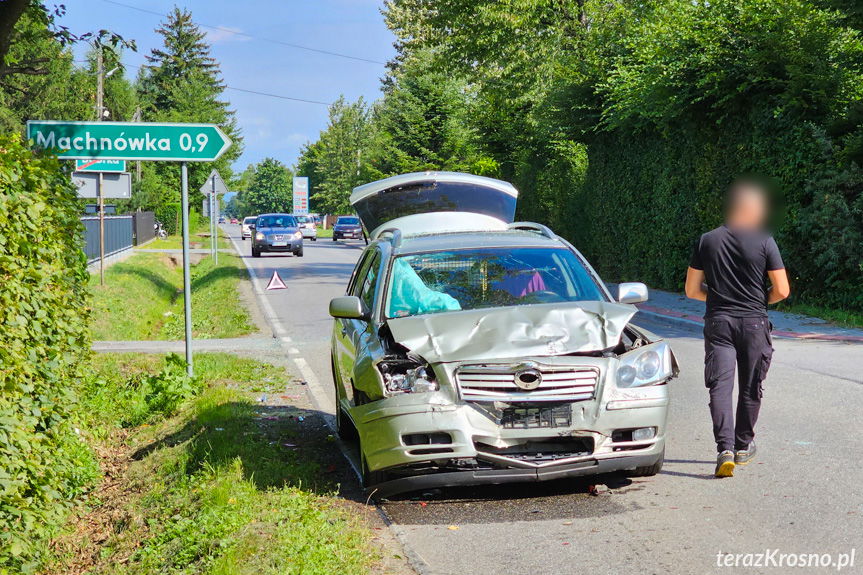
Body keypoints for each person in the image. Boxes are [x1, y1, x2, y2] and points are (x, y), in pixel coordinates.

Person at [685, 178, 790, 478]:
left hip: (718, 321)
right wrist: (759, 301)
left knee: (720, 386)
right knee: (750, 385)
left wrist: (718, 298)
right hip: (755, 323)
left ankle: (725, 450)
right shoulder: (765, 241)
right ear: (751, 209)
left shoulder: (707, 240)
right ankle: (744, 446)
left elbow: (692, 290)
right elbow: (782, 290)